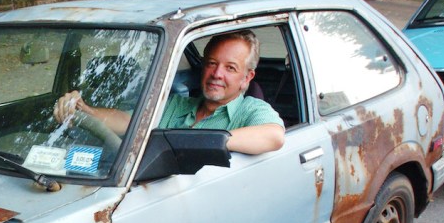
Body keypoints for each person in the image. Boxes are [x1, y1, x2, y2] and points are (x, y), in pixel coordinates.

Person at [53, 30, 285, 155]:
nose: (217, 74)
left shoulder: (251, 109)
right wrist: (82, 109)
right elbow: (128, 121)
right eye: (211, 63)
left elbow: (274, 136)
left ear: (247, 78)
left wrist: (209, 140)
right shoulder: (177, 104)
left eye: (230, 68)